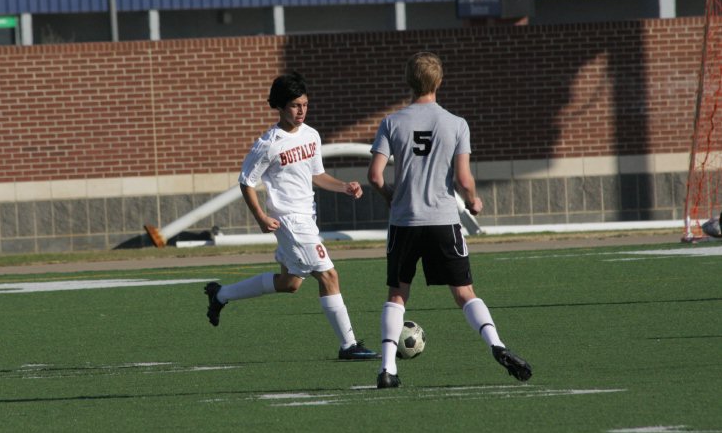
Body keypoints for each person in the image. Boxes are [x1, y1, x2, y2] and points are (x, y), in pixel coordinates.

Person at [367, 52, 532, 388]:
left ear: (408, 82)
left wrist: (391, 197)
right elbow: (464, 178)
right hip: (443, 220)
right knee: (464, 293)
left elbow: (374, 175)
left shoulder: (391, 122)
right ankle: (496, 346)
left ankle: (387, 369)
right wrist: (473, 201)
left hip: (404, 222)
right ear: (439, 82)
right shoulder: (455, 123)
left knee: (397, 295)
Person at [204, 71, 379, 361]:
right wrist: (261, 216)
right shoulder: (268, 143)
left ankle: (220, 294)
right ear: (281, 107)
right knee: (329, 274)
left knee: (290, 284)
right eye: (296, 106)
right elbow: (246, 182)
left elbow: (318, 175)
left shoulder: (312, 135)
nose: (302, 111)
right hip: (289, 221)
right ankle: (348, 345)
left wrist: (344, 187)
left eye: (305, 105)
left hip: (307, 218)